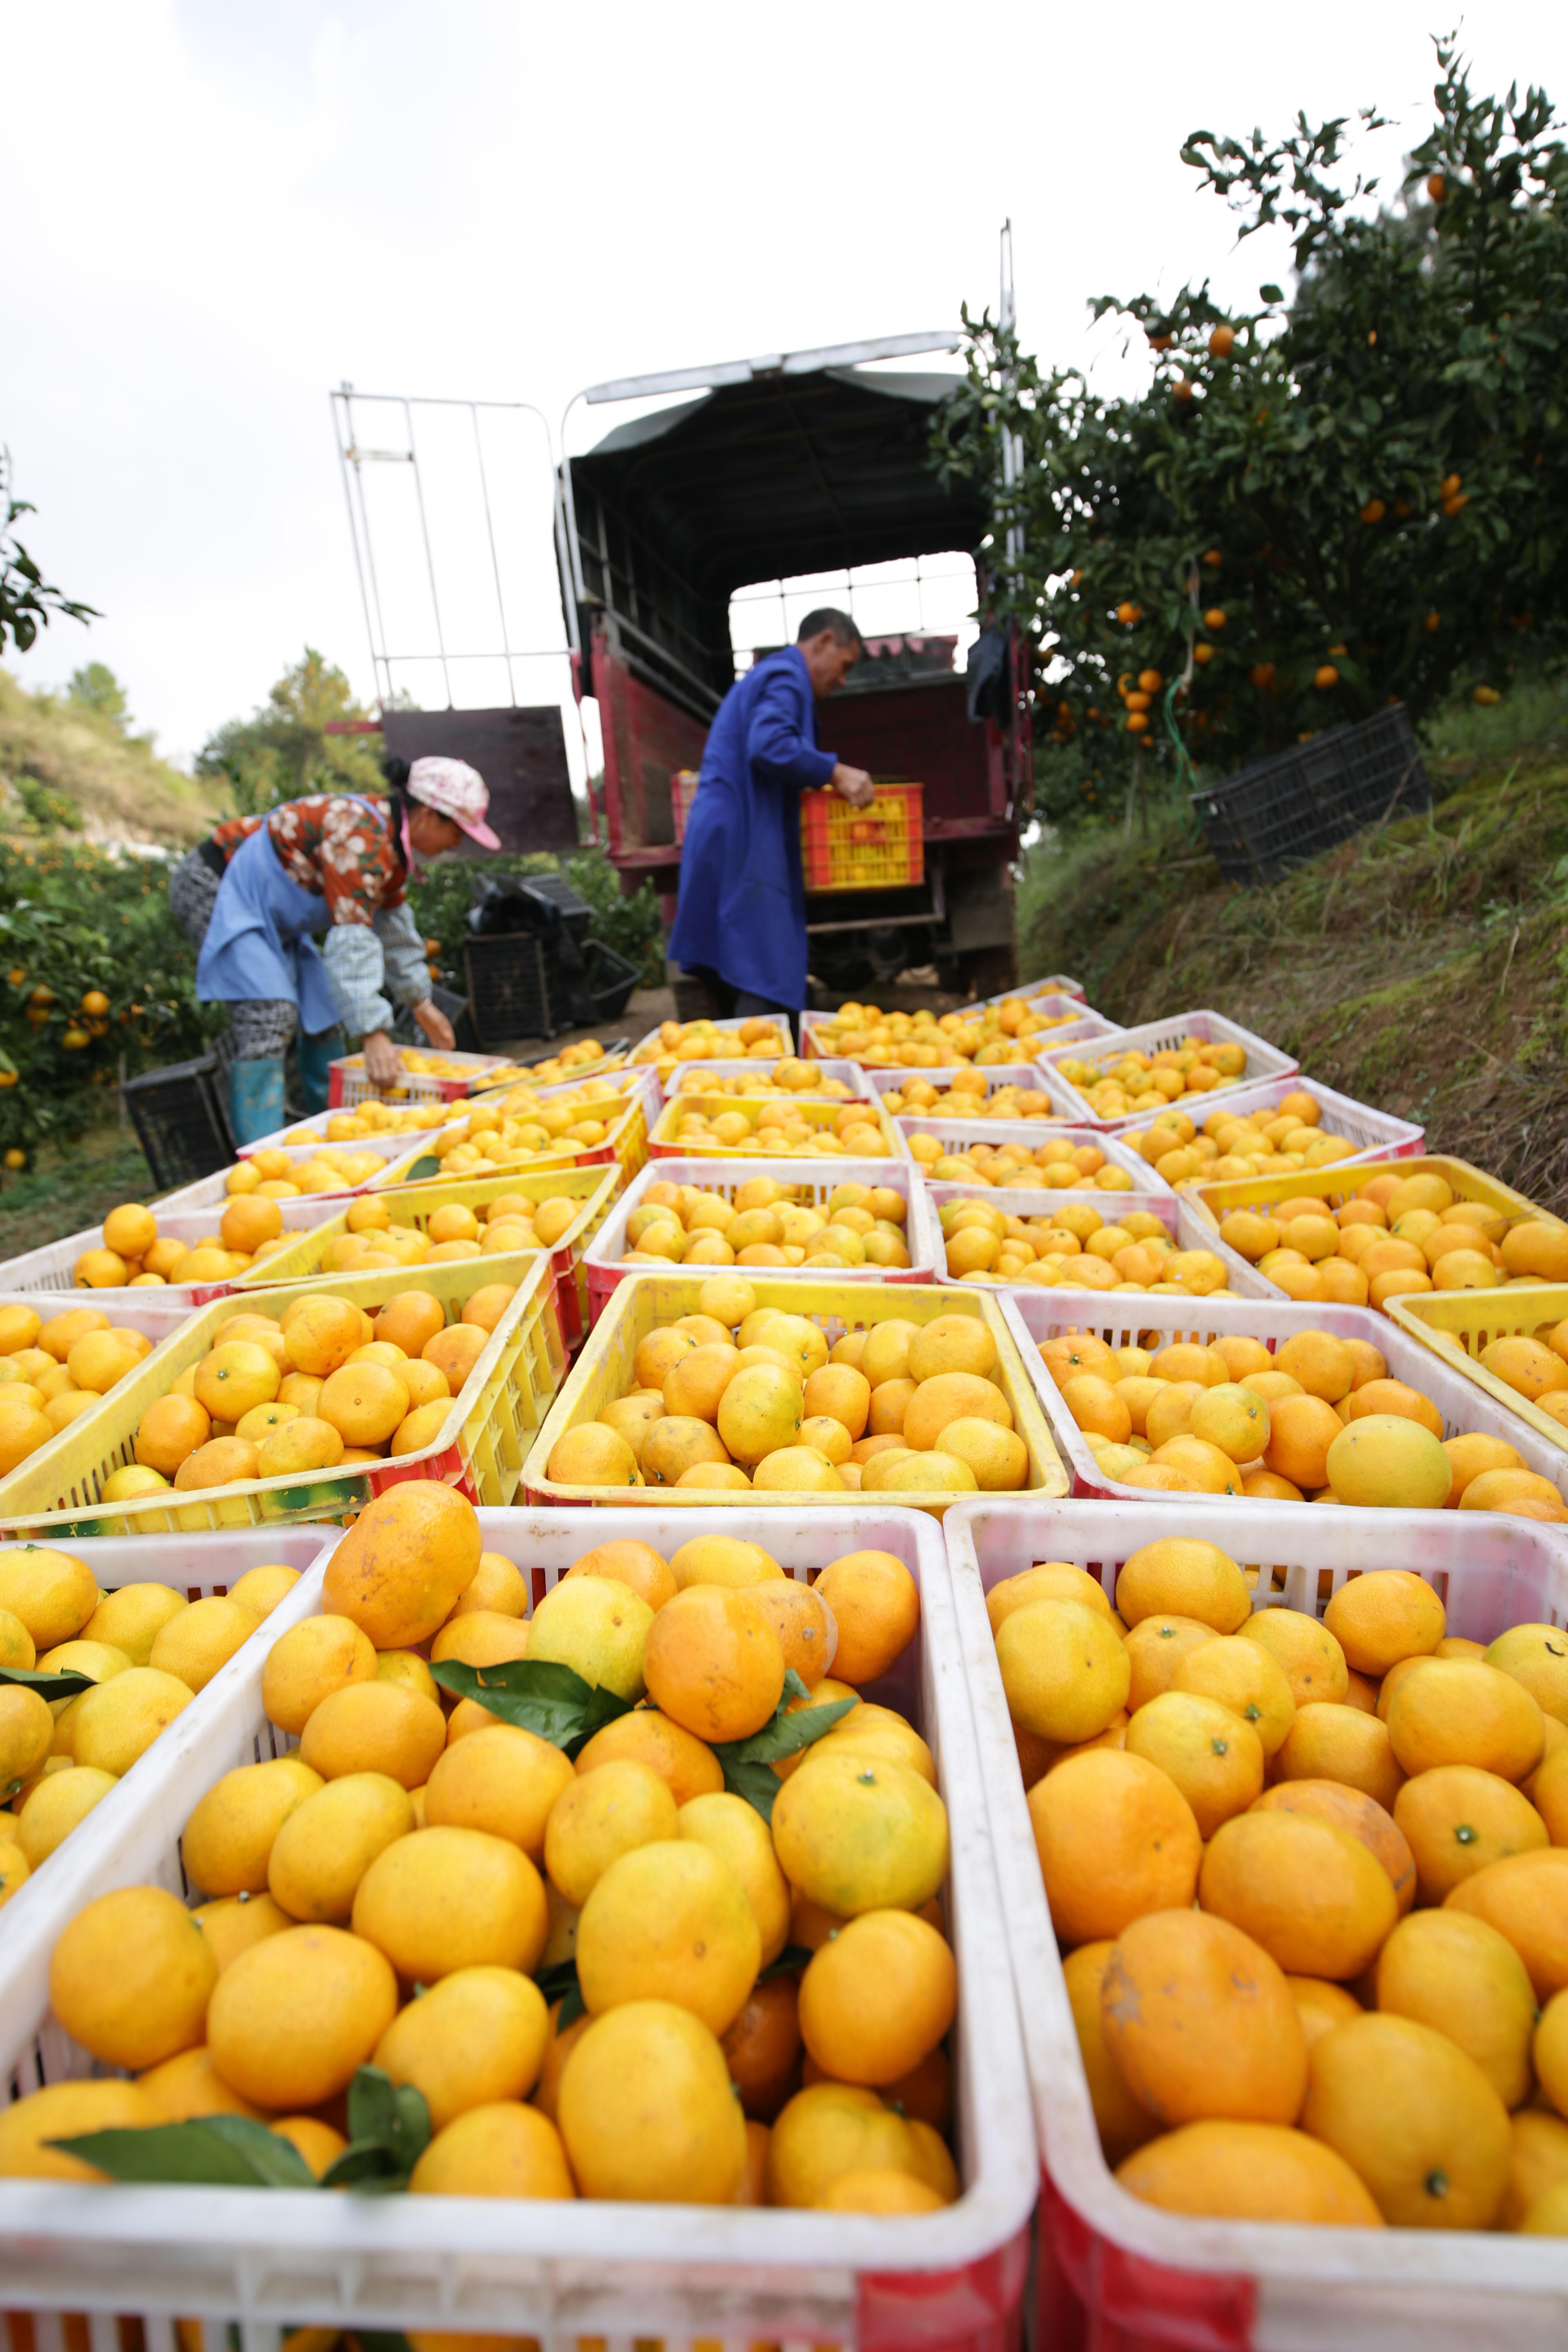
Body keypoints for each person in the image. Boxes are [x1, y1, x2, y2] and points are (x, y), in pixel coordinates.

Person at [167, 754, 499, 1144]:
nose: (458, 843)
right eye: (458, 830)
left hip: (274, 915)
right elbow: (352, 939)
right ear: (427, 815)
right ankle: (263, 1156)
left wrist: (420, 1003)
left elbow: (393, 931)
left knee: (322, 1011)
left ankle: (334, 1137)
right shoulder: (359, 836)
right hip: (216, 885)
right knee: (270, 1014)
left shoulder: (390, 851)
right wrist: (372, 1032)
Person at [668, 608, 873, 1026]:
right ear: (823, 644)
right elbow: (770, 744)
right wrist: (835, 772)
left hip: (733, 828)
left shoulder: (776, 677)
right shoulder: (786, 677)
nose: (842, 680)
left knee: (749, 960)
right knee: (763, 964)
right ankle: (760, 1074)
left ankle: (757, 1064)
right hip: (742, 832)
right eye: (844, 666)